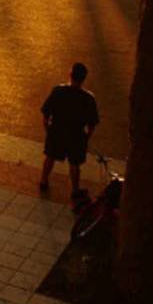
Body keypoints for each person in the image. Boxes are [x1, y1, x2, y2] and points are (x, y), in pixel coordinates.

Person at [38, 62, 99, 202]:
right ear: (84, 78)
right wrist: (86, 138)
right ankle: (75, 189)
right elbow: (92, 124)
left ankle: (44, 181)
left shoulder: (58, 91)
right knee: (74, 164)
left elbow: (46, 113)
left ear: (70, 75)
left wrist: (48, 129)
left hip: (57, 131)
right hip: (76, 135)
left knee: (50, 157)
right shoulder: (88, 98)